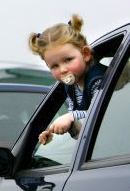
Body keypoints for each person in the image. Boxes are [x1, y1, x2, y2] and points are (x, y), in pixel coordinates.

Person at [29, 14, 107, 145]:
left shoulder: (99, 81)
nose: (63, 69)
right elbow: (76, 115)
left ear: (86, 54)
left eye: (68, 60)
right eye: (54, 66)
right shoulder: (70, 86)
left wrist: (70, 117)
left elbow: (100, 115)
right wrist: (53, 131)